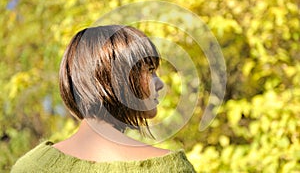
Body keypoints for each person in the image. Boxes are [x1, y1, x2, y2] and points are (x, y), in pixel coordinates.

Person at [11, 25, 196, 172]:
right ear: (116, 78)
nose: (160, 83)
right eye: (150, 71)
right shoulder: (170, 168)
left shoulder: (30, 167)